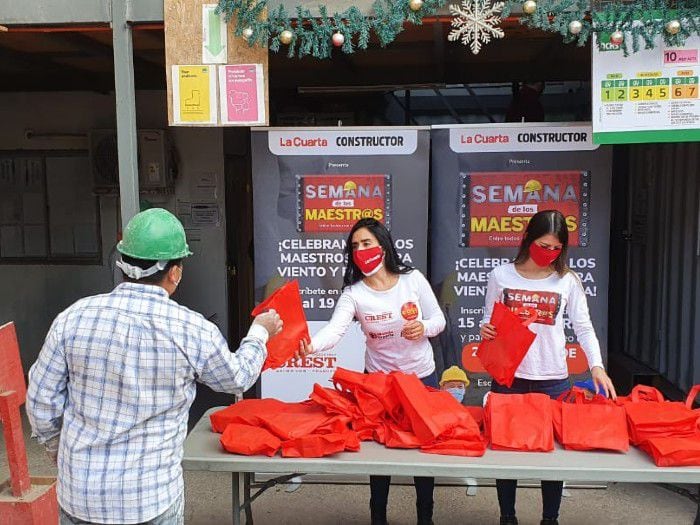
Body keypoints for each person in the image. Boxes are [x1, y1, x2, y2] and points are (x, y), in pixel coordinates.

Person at [26, 208, 282, 525]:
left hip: (81, 497)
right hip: (150, 500)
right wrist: (260, 332)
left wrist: (57, 450)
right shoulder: (191, 329)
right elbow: (237, 378)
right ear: (174, 273)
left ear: (122, 263)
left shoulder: (73, 317)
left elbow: (41, 400)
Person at [297, 218, 446, 525]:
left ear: (383, 245)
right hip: (379, 384)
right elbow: (334, 331)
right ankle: (378, 517)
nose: (361, 251)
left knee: (424, 450)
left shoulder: (412, 279)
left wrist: (424, 328)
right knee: (379, 454)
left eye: (366, 243)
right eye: (355, 246)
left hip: (421, 379)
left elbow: (438, 320)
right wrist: (309, 346)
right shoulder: (354, 293)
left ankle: (426, 517)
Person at [480, 209, 616, 525]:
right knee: (507, 453)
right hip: (509, 376)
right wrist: (484, 329)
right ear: (527, 239)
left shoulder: (567, 280)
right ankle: (507, 516)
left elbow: (583, 326)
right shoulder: (501, 275)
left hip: (553, 378)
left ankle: (550, 518)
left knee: (552, 457)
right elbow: (488, 320)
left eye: (556, 248)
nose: (549, 253)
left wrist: (596, 366)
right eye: (543, 245)